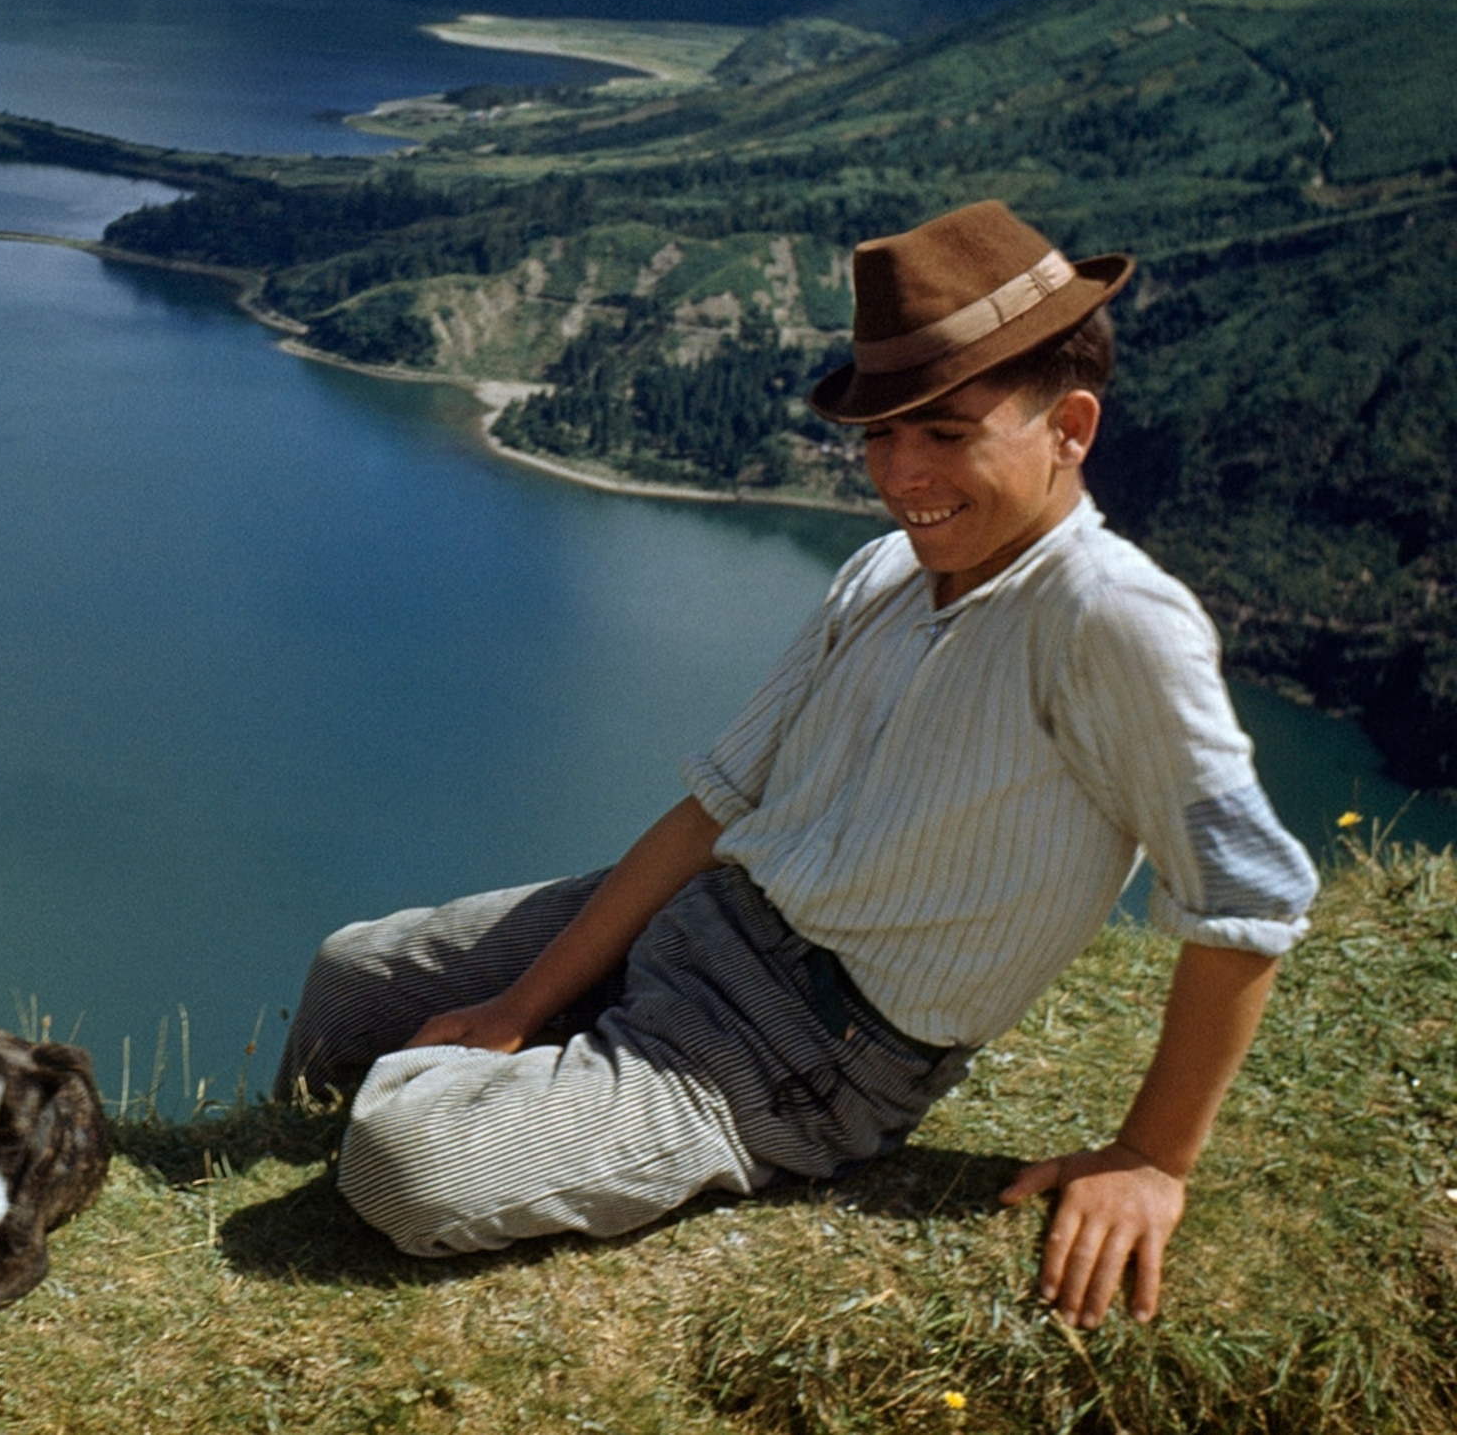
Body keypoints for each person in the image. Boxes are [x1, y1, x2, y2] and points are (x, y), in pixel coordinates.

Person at [274, 200, 1316, 1328]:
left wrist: (1154, 1154)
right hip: (709, 916)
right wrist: (521, 1002)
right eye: (880, 434)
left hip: (809, 1050)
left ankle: (493, 1120)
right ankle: (423, 1112)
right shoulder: (882, 568)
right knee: (353, 973)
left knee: (398, 1162)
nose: (901, 472)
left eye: (947, 432)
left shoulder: (1111, 619)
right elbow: (718, 806)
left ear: (1069, 424)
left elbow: (1248, 899)